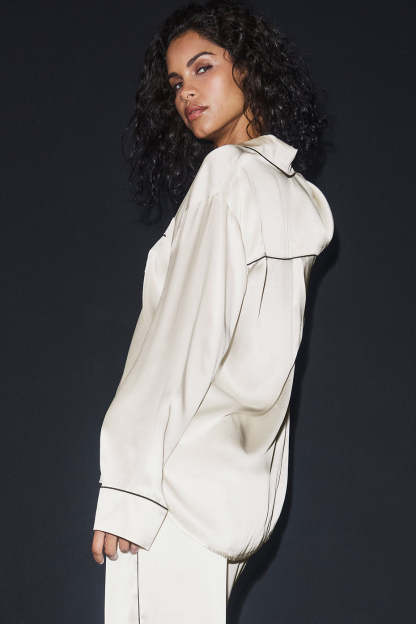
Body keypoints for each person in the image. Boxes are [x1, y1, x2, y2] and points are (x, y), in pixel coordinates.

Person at [91, 1, 334, 621]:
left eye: (203, 68)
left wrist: (126, 486)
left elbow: (180, 343)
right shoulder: (297, 195)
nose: (186, 94)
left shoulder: (227, 178)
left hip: (171, 488)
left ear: (248, 68)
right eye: (176, 83)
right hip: (236, 490)